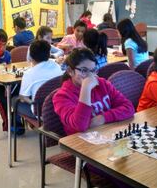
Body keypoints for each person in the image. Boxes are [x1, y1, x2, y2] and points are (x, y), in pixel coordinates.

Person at [53, 48, 135, 188]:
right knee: (125, 176)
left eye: (93, 70)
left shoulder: (102, 83)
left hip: (110, 138)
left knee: (136, 167)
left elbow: (128, 108)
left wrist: (102, 118)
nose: (90, 76)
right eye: (84, 70)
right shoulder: (62, 96)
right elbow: (80, 126)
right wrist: (86, 89)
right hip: (84, 149)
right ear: (70, 71)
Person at [17, 40, 63, 119]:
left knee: (14, 100)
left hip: (40, 113)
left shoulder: (29, 73)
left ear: (30, 56)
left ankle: (17, 128)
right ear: (49, 54)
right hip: (58, 109)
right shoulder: (57, 66)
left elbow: (23, 98)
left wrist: (32, 102)